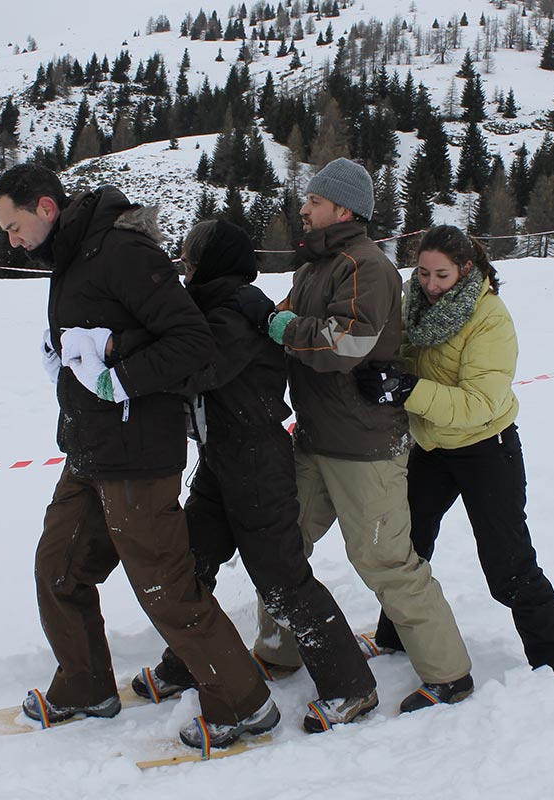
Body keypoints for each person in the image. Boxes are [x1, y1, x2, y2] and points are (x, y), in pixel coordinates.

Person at [0, 164, 278, 750]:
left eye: (14, 227)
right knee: (59, 566)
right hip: (89, 448)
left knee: (164, 588)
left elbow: (192, 341)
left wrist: (117, 379)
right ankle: (86, 685)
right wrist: (64, 357)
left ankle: (245, 703)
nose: (11, 241)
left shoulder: (120, 250)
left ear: (46, 208)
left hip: (138, 453)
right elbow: (101, 337)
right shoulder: (70, 257)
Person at [118, 219, 379, 732]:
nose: (186, 267)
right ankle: (191, 663)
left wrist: (121, 351)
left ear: (215, 263)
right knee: (191, 562)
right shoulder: (216, 307)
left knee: (282, 579)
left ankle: (352, 686)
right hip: (222, 457)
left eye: (193, 260)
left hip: (257, 461)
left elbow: (194, 370)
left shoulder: (233, 314)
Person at [241, 158, 475, 713]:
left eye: (314, 202)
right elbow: (287, 322)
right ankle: (279, 652)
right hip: (316, 437)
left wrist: (285, 330)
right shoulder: (315, 266)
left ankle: (449, 674)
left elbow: (350, 344)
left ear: (342, 209)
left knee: (385, 561)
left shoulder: (366, 267)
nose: (304, 208)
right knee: (280, 546)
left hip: (364, 445)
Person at [354, 225, 554, 685]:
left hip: (486, 450)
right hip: (433, 447)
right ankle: (395, 635)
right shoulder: (414, 306)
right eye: (422, 273)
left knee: (508, 564)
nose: (431, 285)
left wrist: (408, 390)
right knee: (407, 546)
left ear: (467, 269)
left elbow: (481, 402)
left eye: (442, 275)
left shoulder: (490, 318)